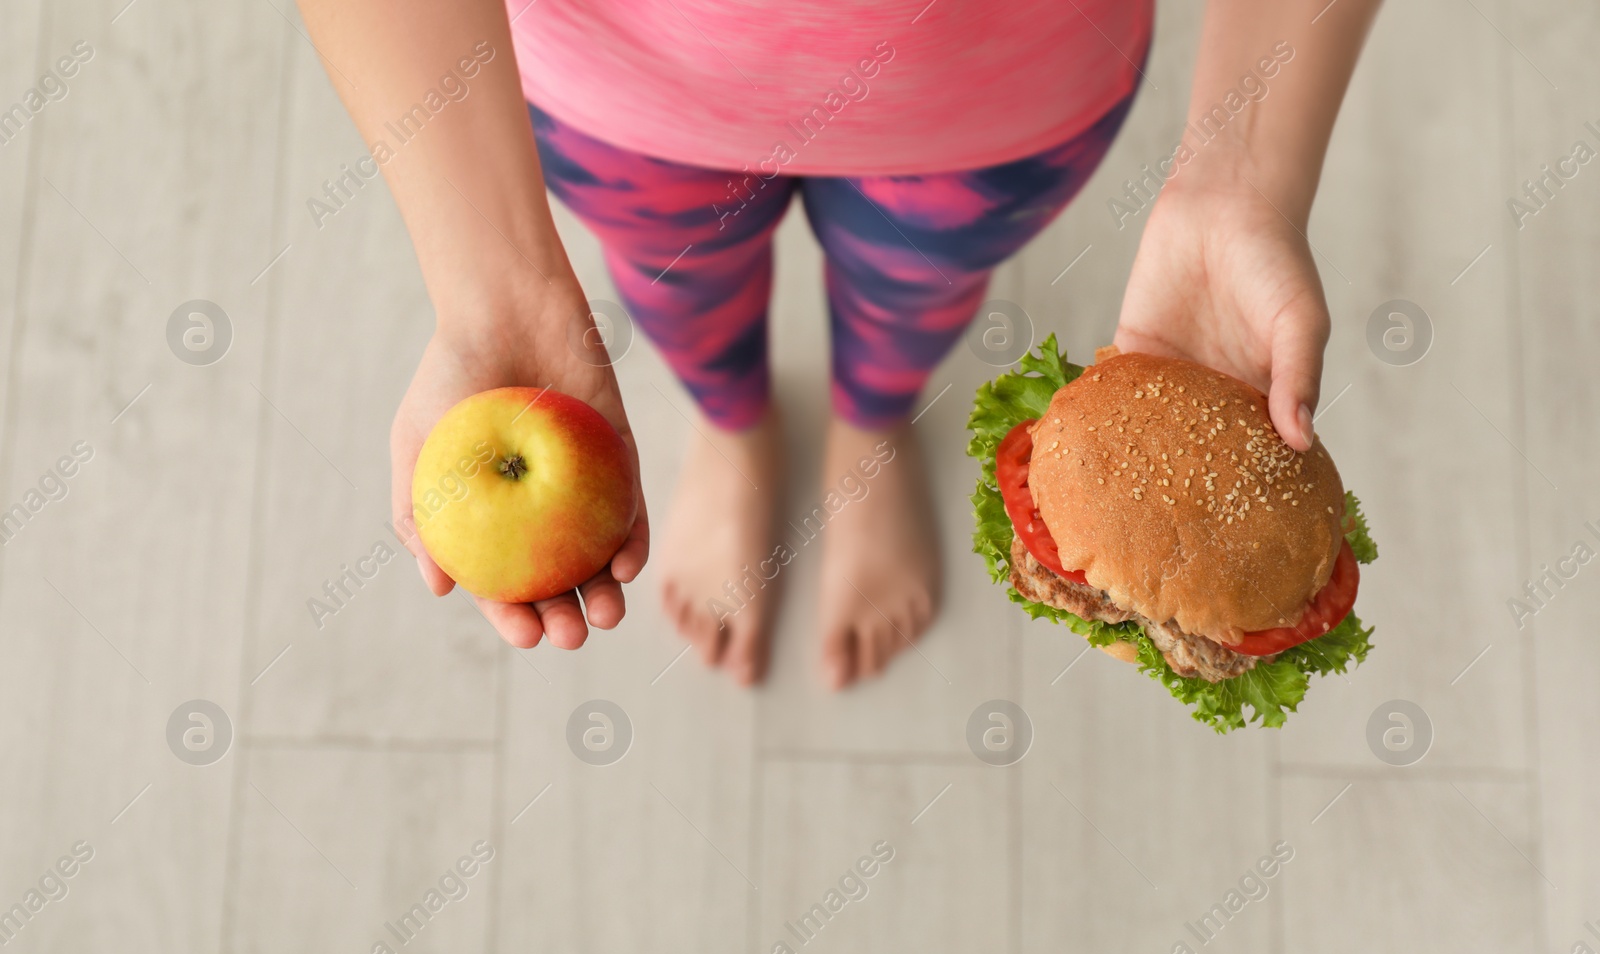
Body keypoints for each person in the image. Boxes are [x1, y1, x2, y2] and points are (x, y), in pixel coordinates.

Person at [297, 0, 1381, 688]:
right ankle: (733, 431)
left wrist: (1244, 177)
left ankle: (868, 431)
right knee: (683, 299)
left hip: (1004, 101)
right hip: (614, 94)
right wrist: (490, 287)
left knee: (915, 299)